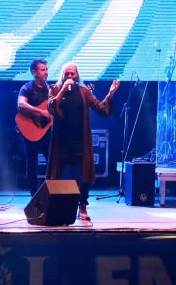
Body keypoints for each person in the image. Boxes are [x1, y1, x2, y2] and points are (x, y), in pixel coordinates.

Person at [47, 63, 119, 221]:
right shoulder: (54, 89)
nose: (71, 77)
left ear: (77, 75)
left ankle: (83, 207)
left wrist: (110, 94)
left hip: (80, 140)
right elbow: (51, 106)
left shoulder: (84, 91)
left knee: (84, 174)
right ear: (62, 75)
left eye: (73, 74)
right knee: (58, 175)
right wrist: (64, 89)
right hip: (61, 141)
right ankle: (57, 206)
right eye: (67, 74)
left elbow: (101, 108)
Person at [17, 59, 52, 195]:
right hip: (30, 130)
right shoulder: (27, 88)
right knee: (32, 163)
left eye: (46, 70)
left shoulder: (50, 89)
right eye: (43, 70)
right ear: (34, 72)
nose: (46, 73)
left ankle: (50, 191)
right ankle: (34, 193)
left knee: (51, 161)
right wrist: (41, 112)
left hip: (46, 131)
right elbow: (21, 105)